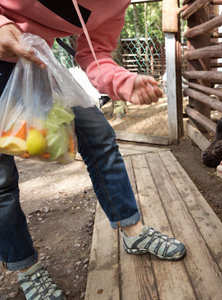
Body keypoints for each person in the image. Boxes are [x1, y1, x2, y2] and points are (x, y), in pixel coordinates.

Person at [0, 1, 186, 299]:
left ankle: (133, 232)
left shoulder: (116, 4)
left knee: (99, 136)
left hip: (37, 62)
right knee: (1, 181)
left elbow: (95, 53)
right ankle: (27, 269)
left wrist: (123, 82)